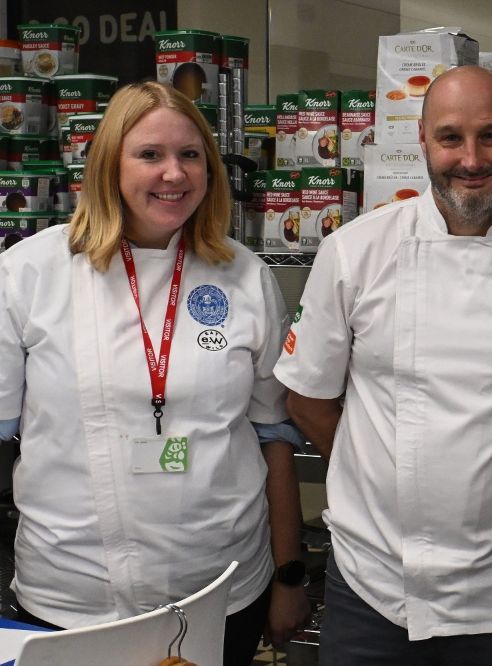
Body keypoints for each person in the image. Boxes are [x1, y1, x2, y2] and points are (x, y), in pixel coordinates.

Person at [274, 65, 492, 665]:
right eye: (450, 138)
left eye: (490, 136)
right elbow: (306, 399)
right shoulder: (355, 252)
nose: (470, 158)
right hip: (376, 584)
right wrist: (374, 476)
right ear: (422, 140)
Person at [0, 81, 311, 663]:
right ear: (108, 165)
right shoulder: (29, 274)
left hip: (221, 591)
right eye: (150, 155)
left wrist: (289, 577)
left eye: (190, 155)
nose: (174, 173)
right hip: (70, 599)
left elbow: (274, 438)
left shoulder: (243, 276)